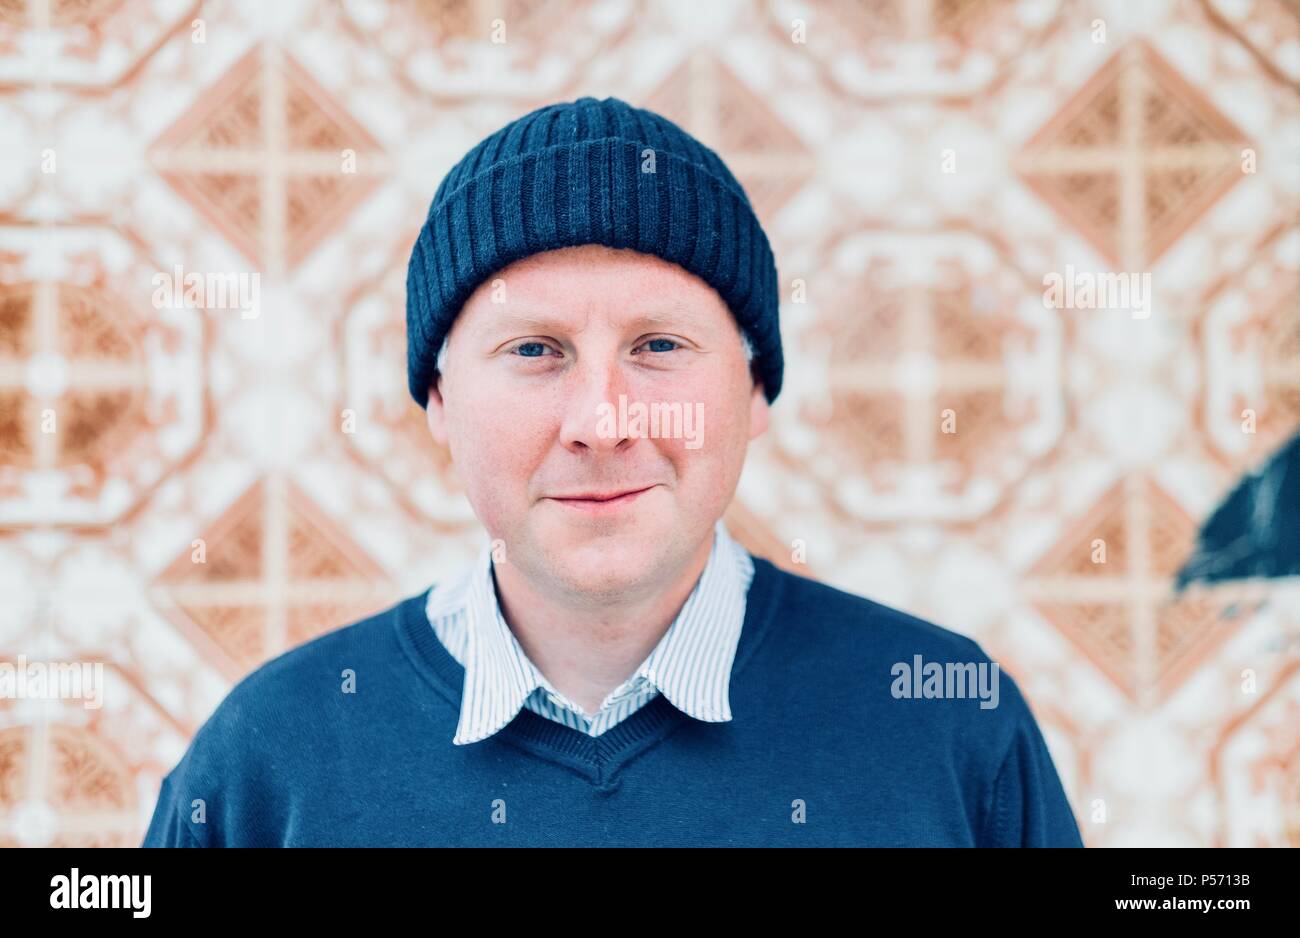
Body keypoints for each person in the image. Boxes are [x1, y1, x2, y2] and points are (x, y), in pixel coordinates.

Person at [142, 96, 1084, 847]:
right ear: (438, 400)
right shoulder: (272, 758)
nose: (602, 422)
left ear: (756, 390)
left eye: (659, 344)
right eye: (534, 351)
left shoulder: (948, 722)